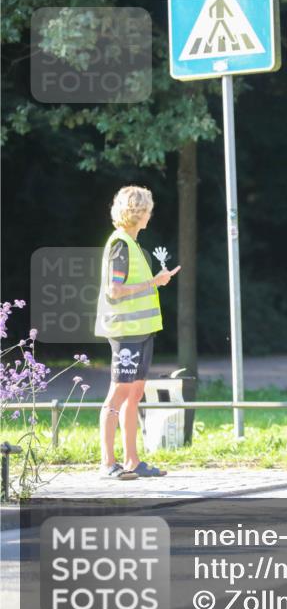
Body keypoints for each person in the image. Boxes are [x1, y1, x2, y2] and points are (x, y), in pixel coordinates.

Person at [94, 186, 180, 480]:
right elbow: (114, 291)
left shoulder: (131, 243)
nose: (150, 215)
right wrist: (154, 282)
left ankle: (132, 461)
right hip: (126, 331)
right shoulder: (120, 244)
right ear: (138, 213)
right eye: (148, 210)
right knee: (119, 393)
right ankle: (108, 463)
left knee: (135, 393)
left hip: (142, 331)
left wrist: (157, 280)